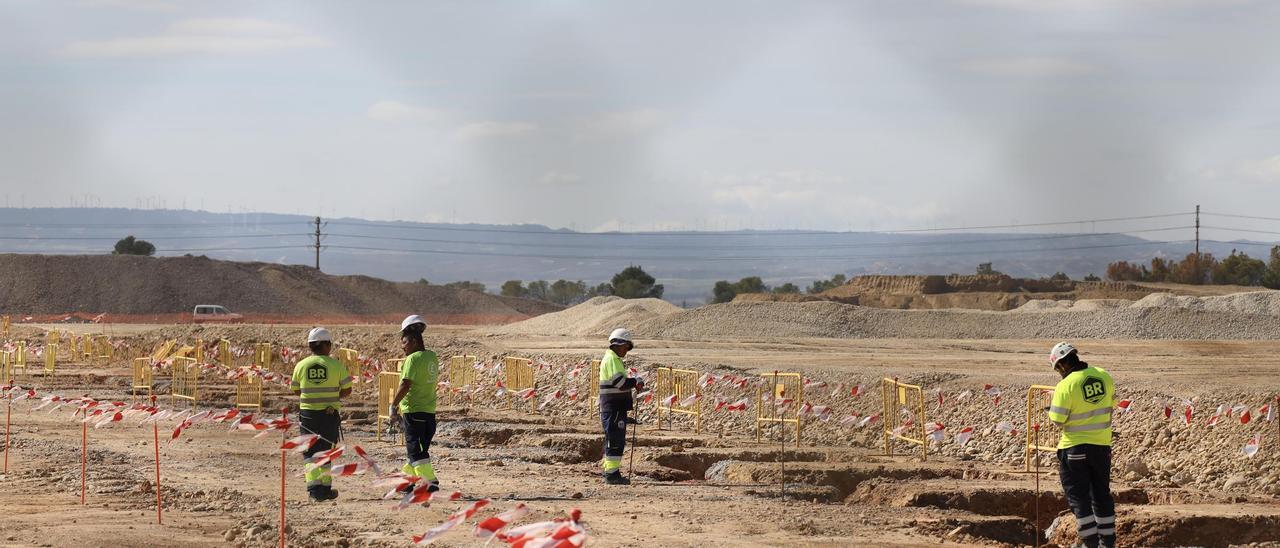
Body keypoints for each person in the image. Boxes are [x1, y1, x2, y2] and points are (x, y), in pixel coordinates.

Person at [1046, 342, 1116, 548]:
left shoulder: (1066, 385)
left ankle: (1090, 543)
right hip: (1101, 447)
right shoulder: (1103, 375)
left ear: (1061, 365)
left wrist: (1051, 410)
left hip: (1074, 448)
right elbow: (1109, 405)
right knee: (1101, 495)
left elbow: (1058, 419)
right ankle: (1107, 543)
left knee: (1079, 498)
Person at [289, 327, 352, 502]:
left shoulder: (301, 365)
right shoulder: (336, 365)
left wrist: (312, 396)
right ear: (325, 345)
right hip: (329, 415)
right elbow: (347, 390)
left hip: (308, 415)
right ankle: (324, 489)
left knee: (310, 452)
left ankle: (315, 490)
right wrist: (333, 397)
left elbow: (296, 389)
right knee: (326, 451)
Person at [390, 314, 442, 492]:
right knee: (418, 449)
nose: (402, 347)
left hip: (414, 411)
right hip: (429, 412)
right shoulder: (432, 357)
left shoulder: (412, 359)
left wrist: (393, 405)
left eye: (404, 343)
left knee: (415, 450)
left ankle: (430, 481)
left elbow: (405, 384)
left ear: (412, 341)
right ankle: (407, 482)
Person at [598, 328, 644, 485]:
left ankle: (611, 472)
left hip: (614, 408)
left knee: (615, 440)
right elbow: (620, 383)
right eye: (625, 347)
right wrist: (635, 381)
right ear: (618, 344)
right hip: (613, 408)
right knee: (615, 440)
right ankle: (611, 475)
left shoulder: (612, 359)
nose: (626, 351)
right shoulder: (612, 360)